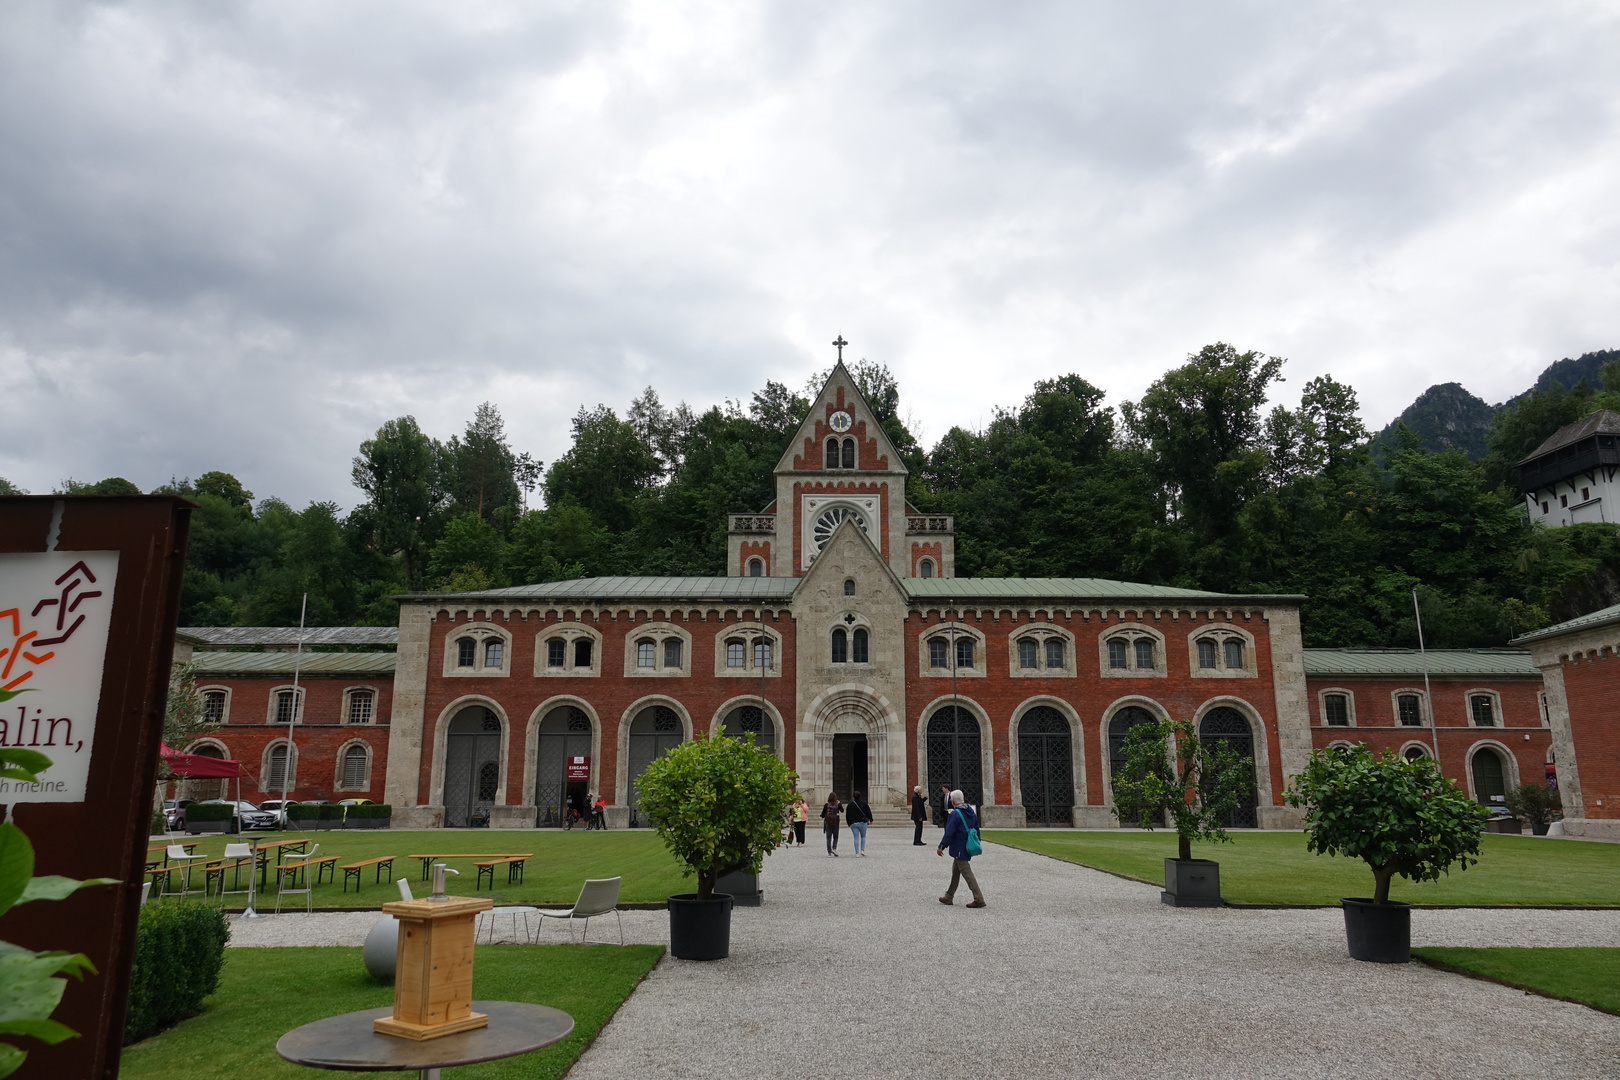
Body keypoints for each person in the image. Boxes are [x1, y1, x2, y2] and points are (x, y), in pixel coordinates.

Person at [936, 789, 986, 907]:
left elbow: (949, 833)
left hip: (959, 846)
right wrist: (977, 841)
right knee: (956, 872)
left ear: (953, 802)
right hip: (967, 846)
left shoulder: (955, 814)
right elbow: (976, 829)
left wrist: (941, 846)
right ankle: (949, 896)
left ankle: (979, 898)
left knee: (967, 873)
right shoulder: (970, 812)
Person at [846, 790, 872, 857]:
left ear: (853, 796)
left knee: (856, 837)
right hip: (862, 823)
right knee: (863, 836)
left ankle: (857, 853)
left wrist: (848, 823)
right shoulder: (864, 804)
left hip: (853, 823)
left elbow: (847, 815)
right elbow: (868, 812)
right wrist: (871, 820)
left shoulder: (850, 805)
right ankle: (862, 850)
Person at [821, 792, 842, 857]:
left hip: (828, 823)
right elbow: (842, 810)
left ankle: (829, 852)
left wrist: (824, 816)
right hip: (836, 822)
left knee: (828, 838)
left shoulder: (826, 805)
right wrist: (839, 803)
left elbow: (823, 814)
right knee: (835, 837)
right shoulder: (837, 805)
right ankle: (834, 848)